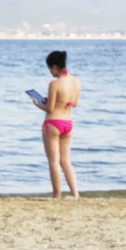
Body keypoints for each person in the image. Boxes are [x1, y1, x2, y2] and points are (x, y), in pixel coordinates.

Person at [32, 51, 81, 199]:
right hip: (68, 123)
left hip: (53, 123)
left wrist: (38, 103)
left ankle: (57, 194)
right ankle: (75, 194)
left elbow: (50, 109)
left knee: (53, 161)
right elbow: (75, 103)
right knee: (65, 161)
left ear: (54, 66)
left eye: (50, 69)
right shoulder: (75, 81)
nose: (50, 72)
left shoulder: (54, 84)